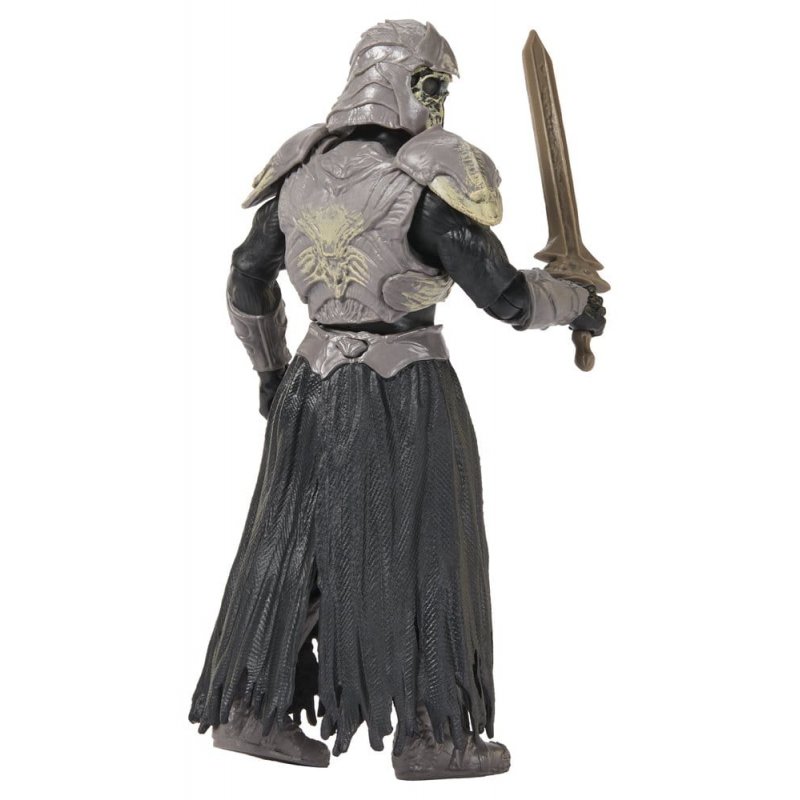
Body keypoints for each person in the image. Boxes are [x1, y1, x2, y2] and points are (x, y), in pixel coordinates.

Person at [188, 19, 605, 781]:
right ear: (425, 86)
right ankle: (434, 736)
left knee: (291, 544)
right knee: (425, 549)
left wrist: (271, 372)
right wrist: (573, 299)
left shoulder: (299, 170)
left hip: (310, 382)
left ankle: (251, 710)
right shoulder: (428, 177)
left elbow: (247, 276)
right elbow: (507, 298)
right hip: (406, 384)